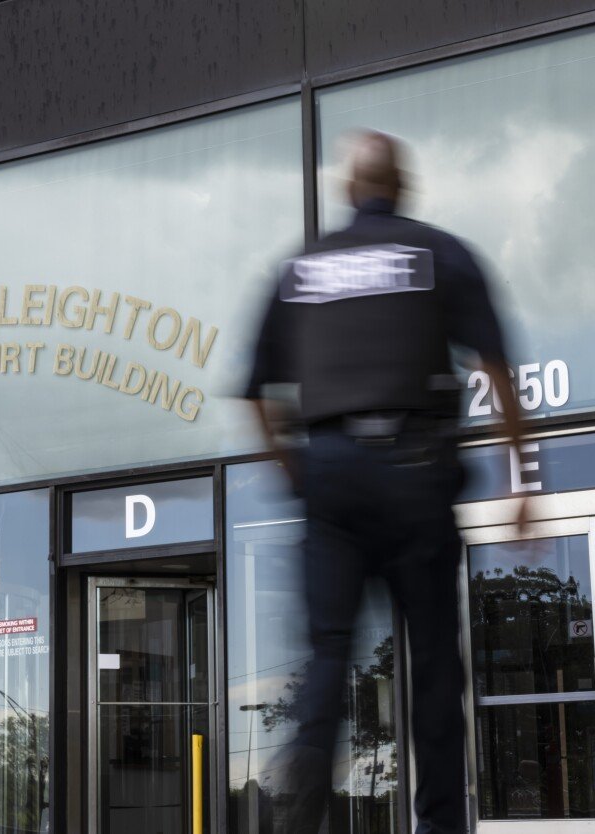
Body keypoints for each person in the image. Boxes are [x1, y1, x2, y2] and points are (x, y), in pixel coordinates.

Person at [242, 129, 528, 834]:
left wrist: (299, 476)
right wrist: (522, 478)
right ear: (402, 186)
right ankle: (440, 823)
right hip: (416, 467)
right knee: (432, 662)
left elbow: (255, 394)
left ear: (348, 189)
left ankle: (307, 778)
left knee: (328, 651)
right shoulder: (439, 253)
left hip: (331, 472)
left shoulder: (299, 268)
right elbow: (496, 369)